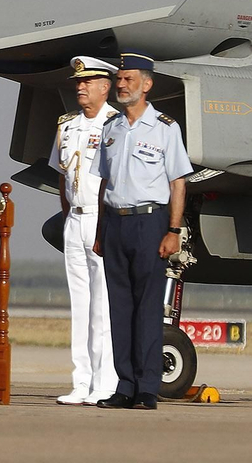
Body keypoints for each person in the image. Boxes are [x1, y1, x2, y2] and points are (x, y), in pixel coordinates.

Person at [93, 52, 190, 410]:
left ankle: (148, 387)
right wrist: (101, 229)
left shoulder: (165, 128)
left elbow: (177, 183)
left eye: (129, 79)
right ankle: (125, 385)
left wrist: (173, 230)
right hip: (116, 222)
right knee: (119, 307)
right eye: (119, 79)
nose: (121, 85)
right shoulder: (111, 129)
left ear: (146, 85)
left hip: (150, 222)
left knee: (147, 307)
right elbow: (105, 183)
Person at [51, 56, 120, 406]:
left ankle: (105, 382)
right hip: (75, 219)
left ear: (104, 87)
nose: (80, 86)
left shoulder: (115, 125)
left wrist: (105, 224)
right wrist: (68, 219)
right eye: (78, 82)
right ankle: (82, 381)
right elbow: (62, 176)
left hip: (101, 217)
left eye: (88, 81)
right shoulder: (67, 126)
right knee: (79, 304)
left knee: (102, 305)